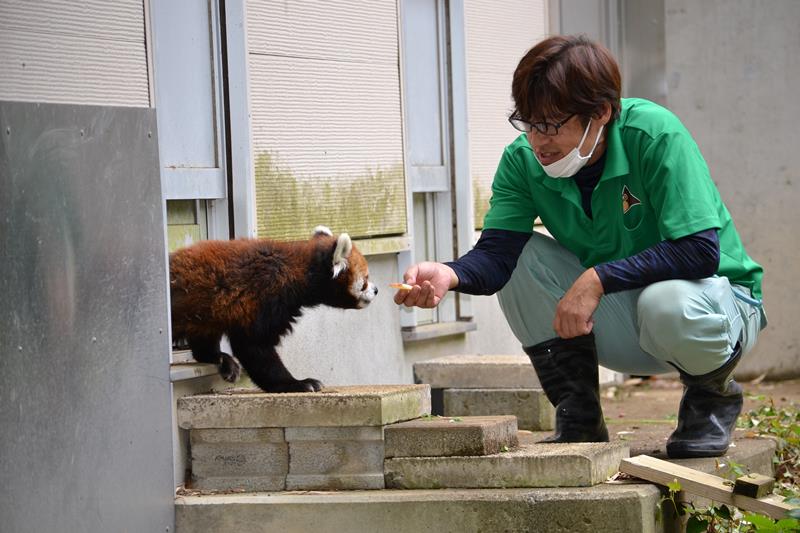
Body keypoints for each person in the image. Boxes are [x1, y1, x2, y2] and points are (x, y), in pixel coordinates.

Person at [394, 34, 766, 459]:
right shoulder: (522, 161)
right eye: (529, 123)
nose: (539, 141)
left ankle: (712, 398)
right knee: (523, 258)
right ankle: (580, 417)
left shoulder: (655, 134)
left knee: (668, 301)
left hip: (717, 314)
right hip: (631, 322)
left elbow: (699, 252)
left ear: (601, 113)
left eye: (552, 124)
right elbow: (498, 257)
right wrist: (450, 274)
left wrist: (596, 278)